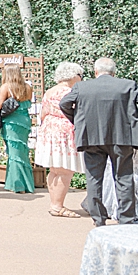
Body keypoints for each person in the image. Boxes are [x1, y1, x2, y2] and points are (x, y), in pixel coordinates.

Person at [60, 57, 138, 226]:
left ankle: (99, 219)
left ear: (96, 72)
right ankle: (126, 219)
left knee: (94, 178)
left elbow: (64, 103)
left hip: (91, 138)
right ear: (114, 72)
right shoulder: (128, 85)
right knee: (124, 178)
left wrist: (79, 121)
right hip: (122, 138)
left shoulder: (82, 87)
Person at [37, 62, 85, 217]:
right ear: (74, 75)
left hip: (49, 129)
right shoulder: (69, 92)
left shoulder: (50, 91)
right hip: (64, 132)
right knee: (65, 170)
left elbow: (43, 112)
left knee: (54, 169)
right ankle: (57, 206)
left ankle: (54, 203)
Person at [0, 65, 34, 193]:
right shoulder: (28, 87)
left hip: (11, 122)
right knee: (22, 152)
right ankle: (27, 184)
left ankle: (17, 185)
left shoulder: (6, 87)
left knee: (13, 154)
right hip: (24, 122)